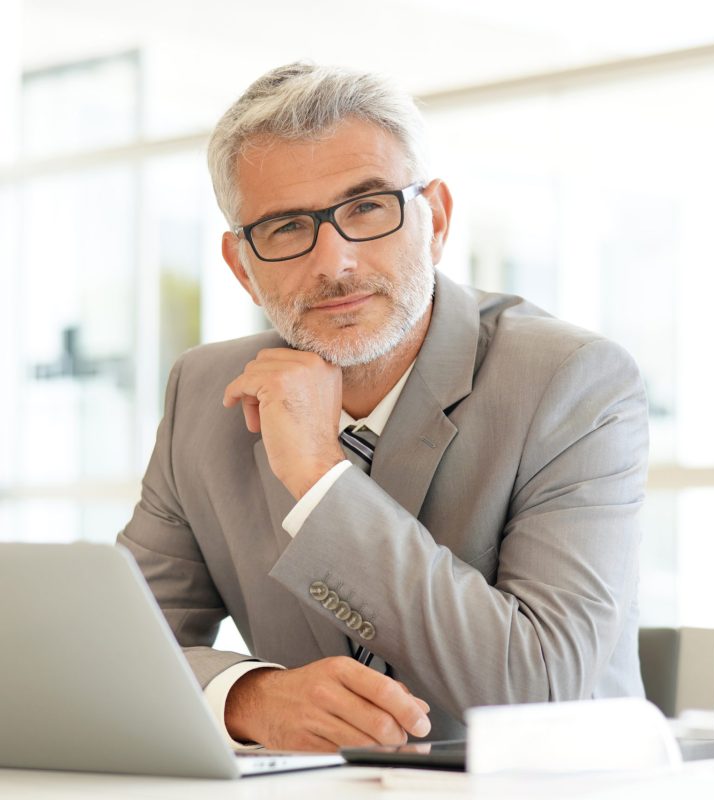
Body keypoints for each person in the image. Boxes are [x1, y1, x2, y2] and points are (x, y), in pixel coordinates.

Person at [118, 62, 649, 753]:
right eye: (284, 227)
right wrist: (247, 696)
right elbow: (109, 652)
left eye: (367, 208)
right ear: (240, 266)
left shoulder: (572, 381)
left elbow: (541, 688)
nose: (335, 262)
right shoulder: (205, 392)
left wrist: (318, 477)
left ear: (436, 220)